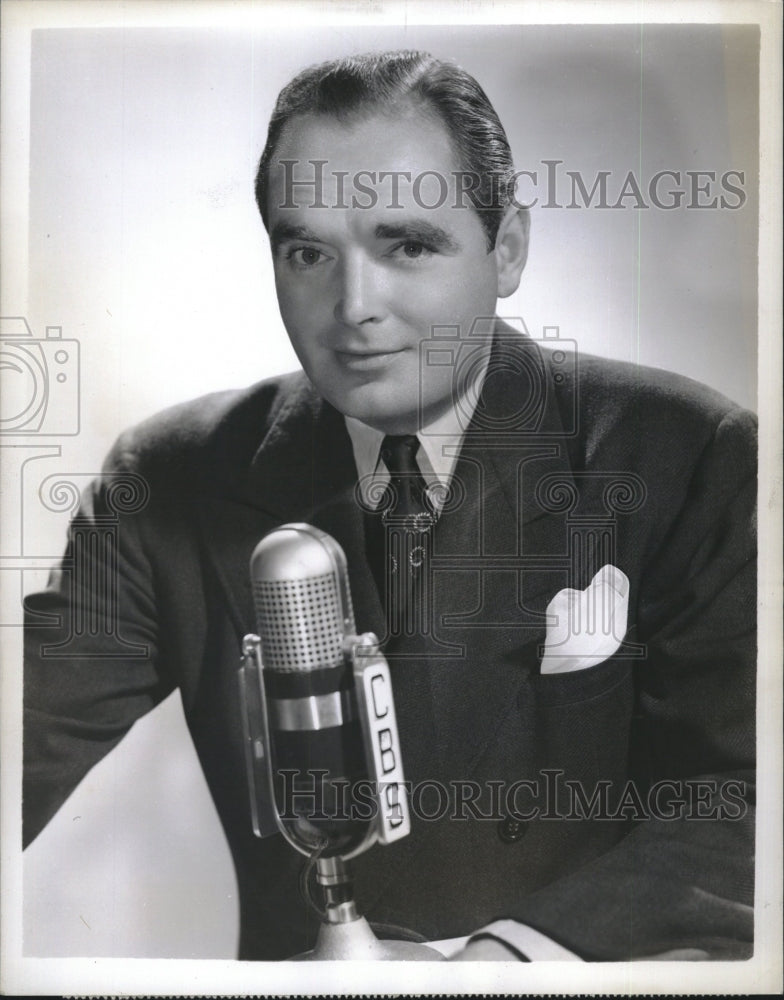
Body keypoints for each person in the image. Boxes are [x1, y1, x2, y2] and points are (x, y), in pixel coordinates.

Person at [23, 50, 756, 962]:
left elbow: (749, 797)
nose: (354, 306)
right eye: (307, 253)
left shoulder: (690, 452)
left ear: (511, 247)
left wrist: (502, 966)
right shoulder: (168, 476)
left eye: (406, 244)